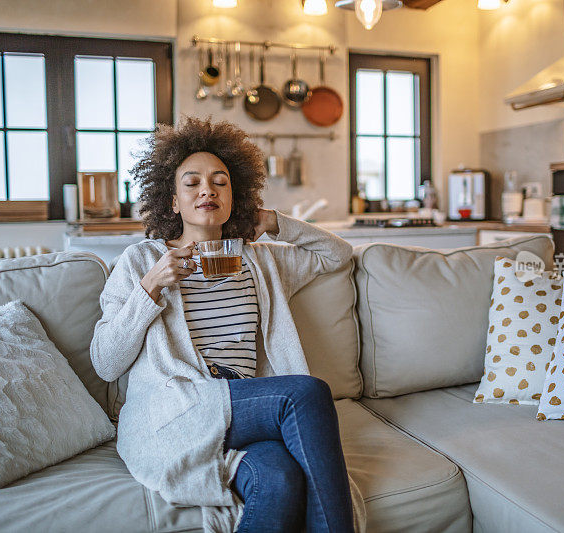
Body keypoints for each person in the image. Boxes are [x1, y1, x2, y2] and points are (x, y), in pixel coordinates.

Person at [90, 117, 366, 533]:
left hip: (240, 408)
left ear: (234, 197)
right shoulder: (141, 262)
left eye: (220, 182)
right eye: (193, 182)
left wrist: (273, 222)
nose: (207, 189)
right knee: (305, 393)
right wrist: (150, 289)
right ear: (173, 201)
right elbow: (106, 363)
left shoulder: (260, 260)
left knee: (279, 479)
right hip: (180, 410)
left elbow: (337, 255)